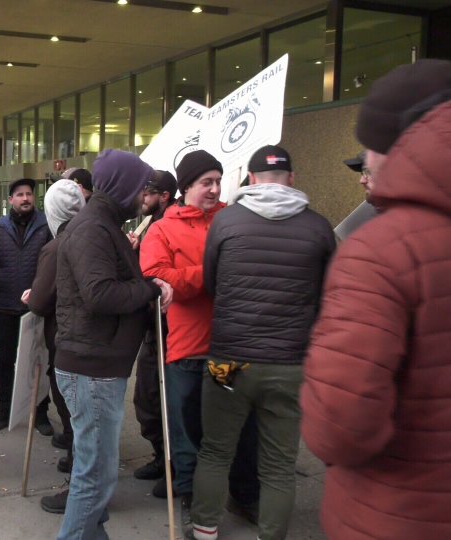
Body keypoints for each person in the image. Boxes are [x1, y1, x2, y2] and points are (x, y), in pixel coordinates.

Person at [301, 59, 451, 539]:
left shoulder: (381, 249)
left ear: (392, 146)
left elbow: (339, 427)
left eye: (366, 152)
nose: (363, 172)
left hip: (401, 515)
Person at [187, 146, 335, 540]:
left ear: (250, 178)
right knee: (279, 465)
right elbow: (325, 297)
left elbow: (214, 284)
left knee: (216, 451)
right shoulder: (319, 228)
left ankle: (204, 530)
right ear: (292, 177)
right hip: (289, 363)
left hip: (229, 360)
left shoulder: (226, 221)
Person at [54, 149, 172, 538]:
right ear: (122, 186)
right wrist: (148, 289)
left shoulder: (103, 225)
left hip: (97, 362)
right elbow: (101, 294)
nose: (145, 195)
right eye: (141, 187)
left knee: (97, 472)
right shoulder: (93, 228)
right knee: (96, 475)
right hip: (93, 366)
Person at [140, 150, 259, 527]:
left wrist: (196, 278)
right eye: (205, 182)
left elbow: (252, 270)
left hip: (230, 344)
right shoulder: (162, 228)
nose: (214, 189)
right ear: (186, 186)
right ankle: (192, 496)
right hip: (187, 348)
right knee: (187, 429)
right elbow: (156, 274)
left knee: (238, 426)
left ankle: (244, 495)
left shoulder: (235, 218)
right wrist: (211, 275)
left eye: (218, 181)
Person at [26, 179, 85, 514]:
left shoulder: (58, 245)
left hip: (70, 343)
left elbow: (41, 300)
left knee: (76, 419)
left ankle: (80, 489)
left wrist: (33, 296)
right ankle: (82, 476)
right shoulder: (102, 234)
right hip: (96, 345)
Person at [0, 178, 53, 433]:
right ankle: (4, 409)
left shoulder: (46, 225)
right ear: (10, 200)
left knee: (40, 362)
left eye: (29, 194)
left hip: (38, 307)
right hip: (6, 307)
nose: (25, 198)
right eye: (20, 194)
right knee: (5, 360)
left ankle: (41, 412)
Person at [131, 170, 178, 495]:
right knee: (147, 398)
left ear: (164, 195)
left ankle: (175, 467)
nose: (142, 197)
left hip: (170, 328)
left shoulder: (171, 224)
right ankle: (161, 458)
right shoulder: (149, 224)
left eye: (148, 191)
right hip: (151, 325)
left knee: (165, 399)